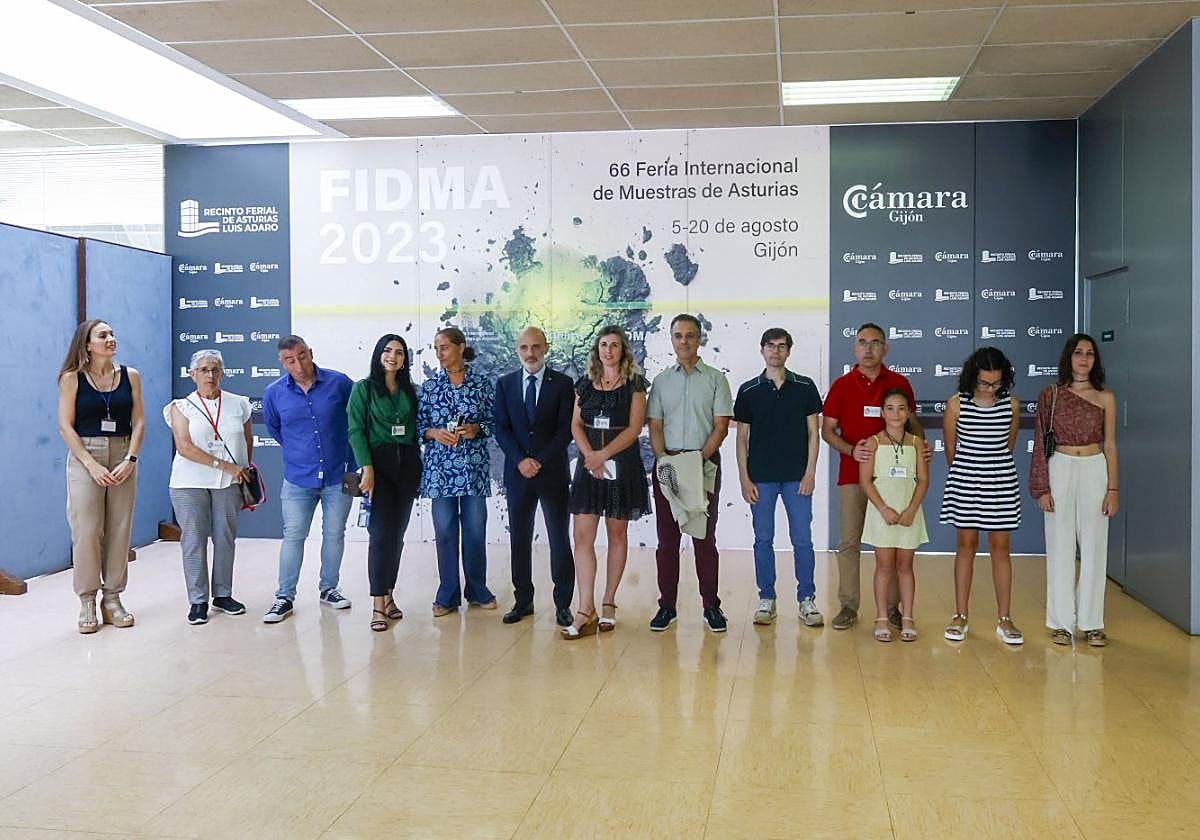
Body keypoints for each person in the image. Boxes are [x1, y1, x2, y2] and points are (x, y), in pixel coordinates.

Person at [821, 323, 925, 631]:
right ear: (854, 348)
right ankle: (848, 606)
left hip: (896, 480)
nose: (868, 349)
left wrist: (921, 449)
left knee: (893, 542)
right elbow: (827, 430)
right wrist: (851, 450)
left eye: (875, 343)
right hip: (853, 475)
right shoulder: (841, 385)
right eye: (862, 343)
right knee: (850, 541)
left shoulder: (899, 382)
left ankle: (893, 608)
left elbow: (913, 425)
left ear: (885, 348)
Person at [1030, 333, 1119, 647]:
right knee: (1059, 546)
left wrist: (1113, 488)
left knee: (1095, 546)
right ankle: (1060, 622)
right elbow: (1041, 442)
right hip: (1061, 468)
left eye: (1090, 354)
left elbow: (1110, 444)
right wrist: (1041, 487)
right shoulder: (1051, 394)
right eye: (1078, 353)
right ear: (1068, 357)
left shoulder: (1106, 397)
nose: (1084, 359)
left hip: (1094, 467)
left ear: (1096, 360)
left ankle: (1092, 622)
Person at [646, 314, 733, 633]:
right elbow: (654, 426)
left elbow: (721, 426)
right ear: (671, 340)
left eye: (690, 335)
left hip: (703, 466)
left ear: (700, 340)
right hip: (668, 466)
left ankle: (711, 606)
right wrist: (664, 462)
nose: (684, 341)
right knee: (666, 541)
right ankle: (666, 607)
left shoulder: (715, 379)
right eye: (678, 335)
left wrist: (696, 462)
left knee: (703, 539)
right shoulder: (661, 382)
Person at [563, 326, 651, 639]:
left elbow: (634, 428)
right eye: (603, 345)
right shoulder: (584, 384)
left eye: (614, 345)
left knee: (616, 534)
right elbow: (575, 424)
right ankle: (585, 608)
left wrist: (604, 455)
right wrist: (590, 457)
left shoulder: (635, 385)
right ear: (596, 349)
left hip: (621, 466)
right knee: (582, 536)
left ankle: (609, 602)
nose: (608, 350)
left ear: (623, 350)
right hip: (589, 468)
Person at [57, 319, 144, 634]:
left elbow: (139, 421)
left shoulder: (130, 376)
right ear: (87, 344)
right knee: (87, 529)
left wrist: (131, 459)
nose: (111, 339)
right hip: (85, 454)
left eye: (112, 334)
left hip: (123, 452)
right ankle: (87, 600)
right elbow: (66, 426)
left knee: (120, 527)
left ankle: (113, 598)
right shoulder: (72, 378)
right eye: (103, 335)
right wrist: (90, 465)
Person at [261, 335, 355, 623]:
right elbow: (275, 429)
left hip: (341, 473)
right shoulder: (274, 393)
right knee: (293, 537)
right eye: (290, 359)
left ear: (310, 352)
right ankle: (284, 596)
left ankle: (329, 589)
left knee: (334, 534)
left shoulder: (340, 383)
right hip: (298, 478)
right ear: (282, 362)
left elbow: (356, 422)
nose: (298, 364)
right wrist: (300, 452)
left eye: (302, 356)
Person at [734, 327, 824, 627]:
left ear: (789, 351)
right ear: (762, 350)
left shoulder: (805, 387)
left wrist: (810, 472)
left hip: (798, 478)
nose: (775, 351)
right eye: (770, 346)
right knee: (763, 539)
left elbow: (814, 433)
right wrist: (745, 479)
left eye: (781, 346)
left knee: (802, 540)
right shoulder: (748, 391)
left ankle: (806, 599)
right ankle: (767, 598)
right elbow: (742, 439)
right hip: (761, 478)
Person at [939, 347, 1023, 645]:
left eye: (996, 383)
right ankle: (960, 615)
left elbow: (1009, 445)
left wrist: (991, 468)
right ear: (973, 377)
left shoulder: (1011, 405)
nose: (990, 388)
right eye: (985, 383)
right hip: (965, 479)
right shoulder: (956, 404)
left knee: (1001, 547)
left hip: (1000, 480)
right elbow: (950, 450)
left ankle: (1005, 618)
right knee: (966, 545)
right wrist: (969, 469)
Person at [494, 327, 575, 627]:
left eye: (536, 347)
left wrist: (538, 460)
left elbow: (565, 430)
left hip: (551, 472)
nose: (530, 353)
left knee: (558, 539)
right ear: (518, 350)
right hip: (517, 475)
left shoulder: (563, 384)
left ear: (546, 348)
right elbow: (500, 428)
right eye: (525, 347)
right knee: (519, 539)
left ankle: (563, 604)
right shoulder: (505, 384)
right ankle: (523, 600)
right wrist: (520, 461)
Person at [164, 349, 253, 625]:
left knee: (226, 537)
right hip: (189, 482)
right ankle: (198, 600)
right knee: (194, 539)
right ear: (192, 375)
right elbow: (184, 446)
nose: (210, 375)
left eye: (215, 369)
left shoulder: (239, 404)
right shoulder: (180, 406)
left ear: (222, 373)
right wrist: (226, 466)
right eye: (203, 369)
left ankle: (223, 594)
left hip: (229, 482)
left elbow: (247, 441)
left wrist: (241, 470)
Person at [418, 326, 497, 615]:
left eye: (445, 347)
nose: (440, 354)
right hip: (440, 473)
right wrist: (433, 433)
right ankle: (447, 594)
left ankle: (477, 589)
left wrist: (477, 429)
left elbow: (495, 421)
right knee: (445, 532)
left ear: (461, 347)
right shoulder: (429, 387)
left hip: (473, 470)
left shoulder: (482, 384)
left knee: (475, 531)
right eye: (436, 348)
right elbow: (418, 427)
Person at [348, 334, 422, 632]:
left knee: (397, 535)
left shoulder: (410, 391)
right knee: (380, 535)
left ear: (406, 359)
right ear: (379, 354)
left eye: (400, 352)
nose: (394, 356)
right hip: (377, 464)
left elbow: (416, 430)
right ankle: (378, 604)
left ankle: (389, 595)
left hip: (407, 464)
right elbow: (355, 431)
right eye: (388, 351)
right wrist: (366, 467)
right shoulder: (363, 389)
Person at [860, 389, 929, 642]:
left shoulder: (916, 443)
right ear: (882, 412)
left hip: (909, 512)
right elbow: (866, 481)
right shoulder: (873, 443)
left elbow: (922, 480)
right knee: (884, 565)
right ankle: (881, 616)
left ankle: (908, 616)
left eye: (901, 408)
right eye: (890, 408)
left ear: (909, 412)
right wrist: (883, 508)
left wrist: (911, 509)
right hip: (882, 513)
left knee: (905, 565)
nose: (896, 413)